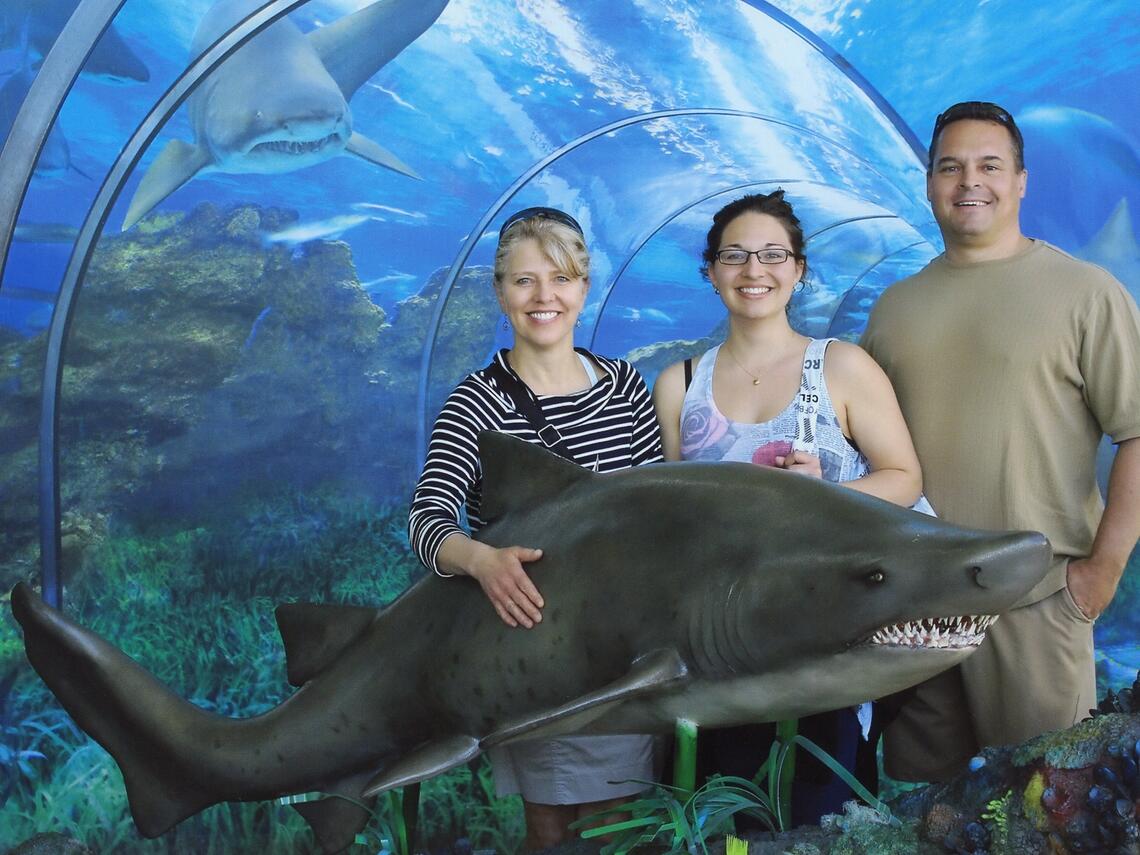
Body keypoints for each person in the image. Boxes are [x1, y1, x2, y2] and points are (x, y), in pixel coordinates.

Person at [861, 101, 1140, 783]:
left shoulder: (1086, 292)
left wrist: (1099, 572)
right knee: (925, 812)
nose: (968, 182)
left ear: (1021, 181)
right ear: (928, 183)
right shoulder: (894, 307)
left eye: (989, 165)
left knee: (1046, 807)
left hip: (1038, 598)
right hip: (917, 609)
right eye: (949, 166)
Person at [652, 189, 924, 824]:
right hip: (718, 646)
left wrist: (819, 496)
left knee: (820, 809)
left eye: (773, 254)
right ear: (711, 270)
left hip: (828, 637)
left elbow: (905, 478)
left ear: (799, 270)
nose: (754, 271)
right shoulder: (679, 383)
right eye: (736, 256)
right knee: (721, 816)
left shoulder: (843, 367)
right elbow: (670, 522)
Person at [408, 207, 663, 850]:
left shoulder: (626, 384)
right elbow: (427, 518)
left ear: (584, 287)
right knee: (562, 825)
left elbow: (658, 506)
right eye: (523, 281)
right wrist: (482, 561)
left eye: (560, 278)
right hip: (538, 648)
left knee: (616, 820)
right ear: (499, 293)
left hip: (623, 642)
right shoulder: (476, 401)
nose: (543, 297)